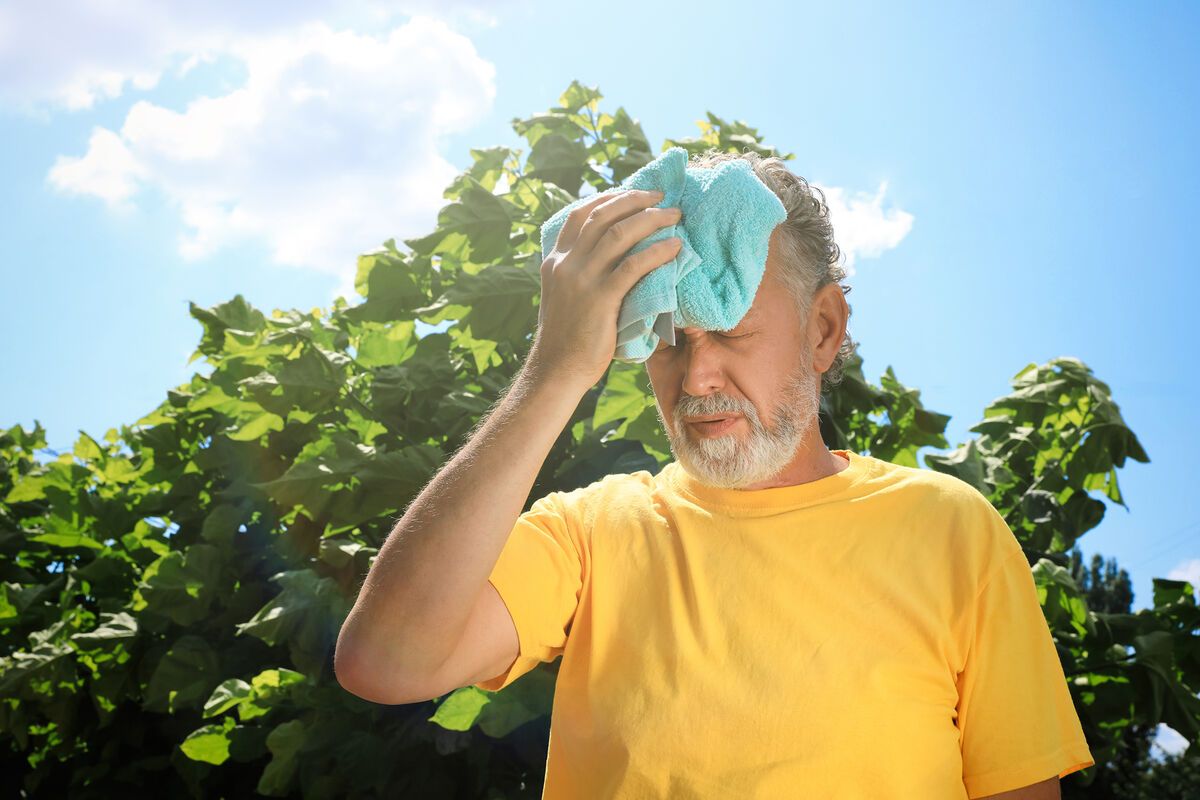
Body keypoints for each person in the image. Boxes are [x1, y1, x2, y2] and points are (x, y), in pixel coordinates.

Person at [335, 151, 1094, 799]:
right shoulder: (590, 532)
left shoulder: (948, 528)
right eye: (667, 338)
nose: (696, 376)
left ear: (823, 329)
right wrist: (553, 369)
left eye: (730, 331)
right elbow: (385, 661)